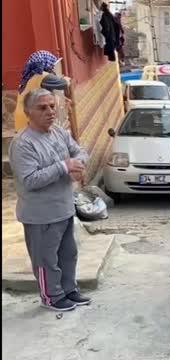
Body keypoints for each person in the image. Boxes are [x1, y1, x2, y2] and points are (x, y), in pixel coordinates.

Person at [9, 88, 91, 312]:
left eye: (52, 106)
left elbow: (80, 151)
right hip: (40, 214)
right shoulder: (23, 144)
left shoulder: (59, 133)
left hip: (64, 208)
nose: (50, 112)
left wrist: (78, 165)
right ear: (28, 112)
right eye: (42, 107)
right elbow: (30, 180)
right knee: (46, 260)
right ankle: (51, 296)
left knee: (68, 254)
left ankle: (68, 290)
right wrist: (64, 166)